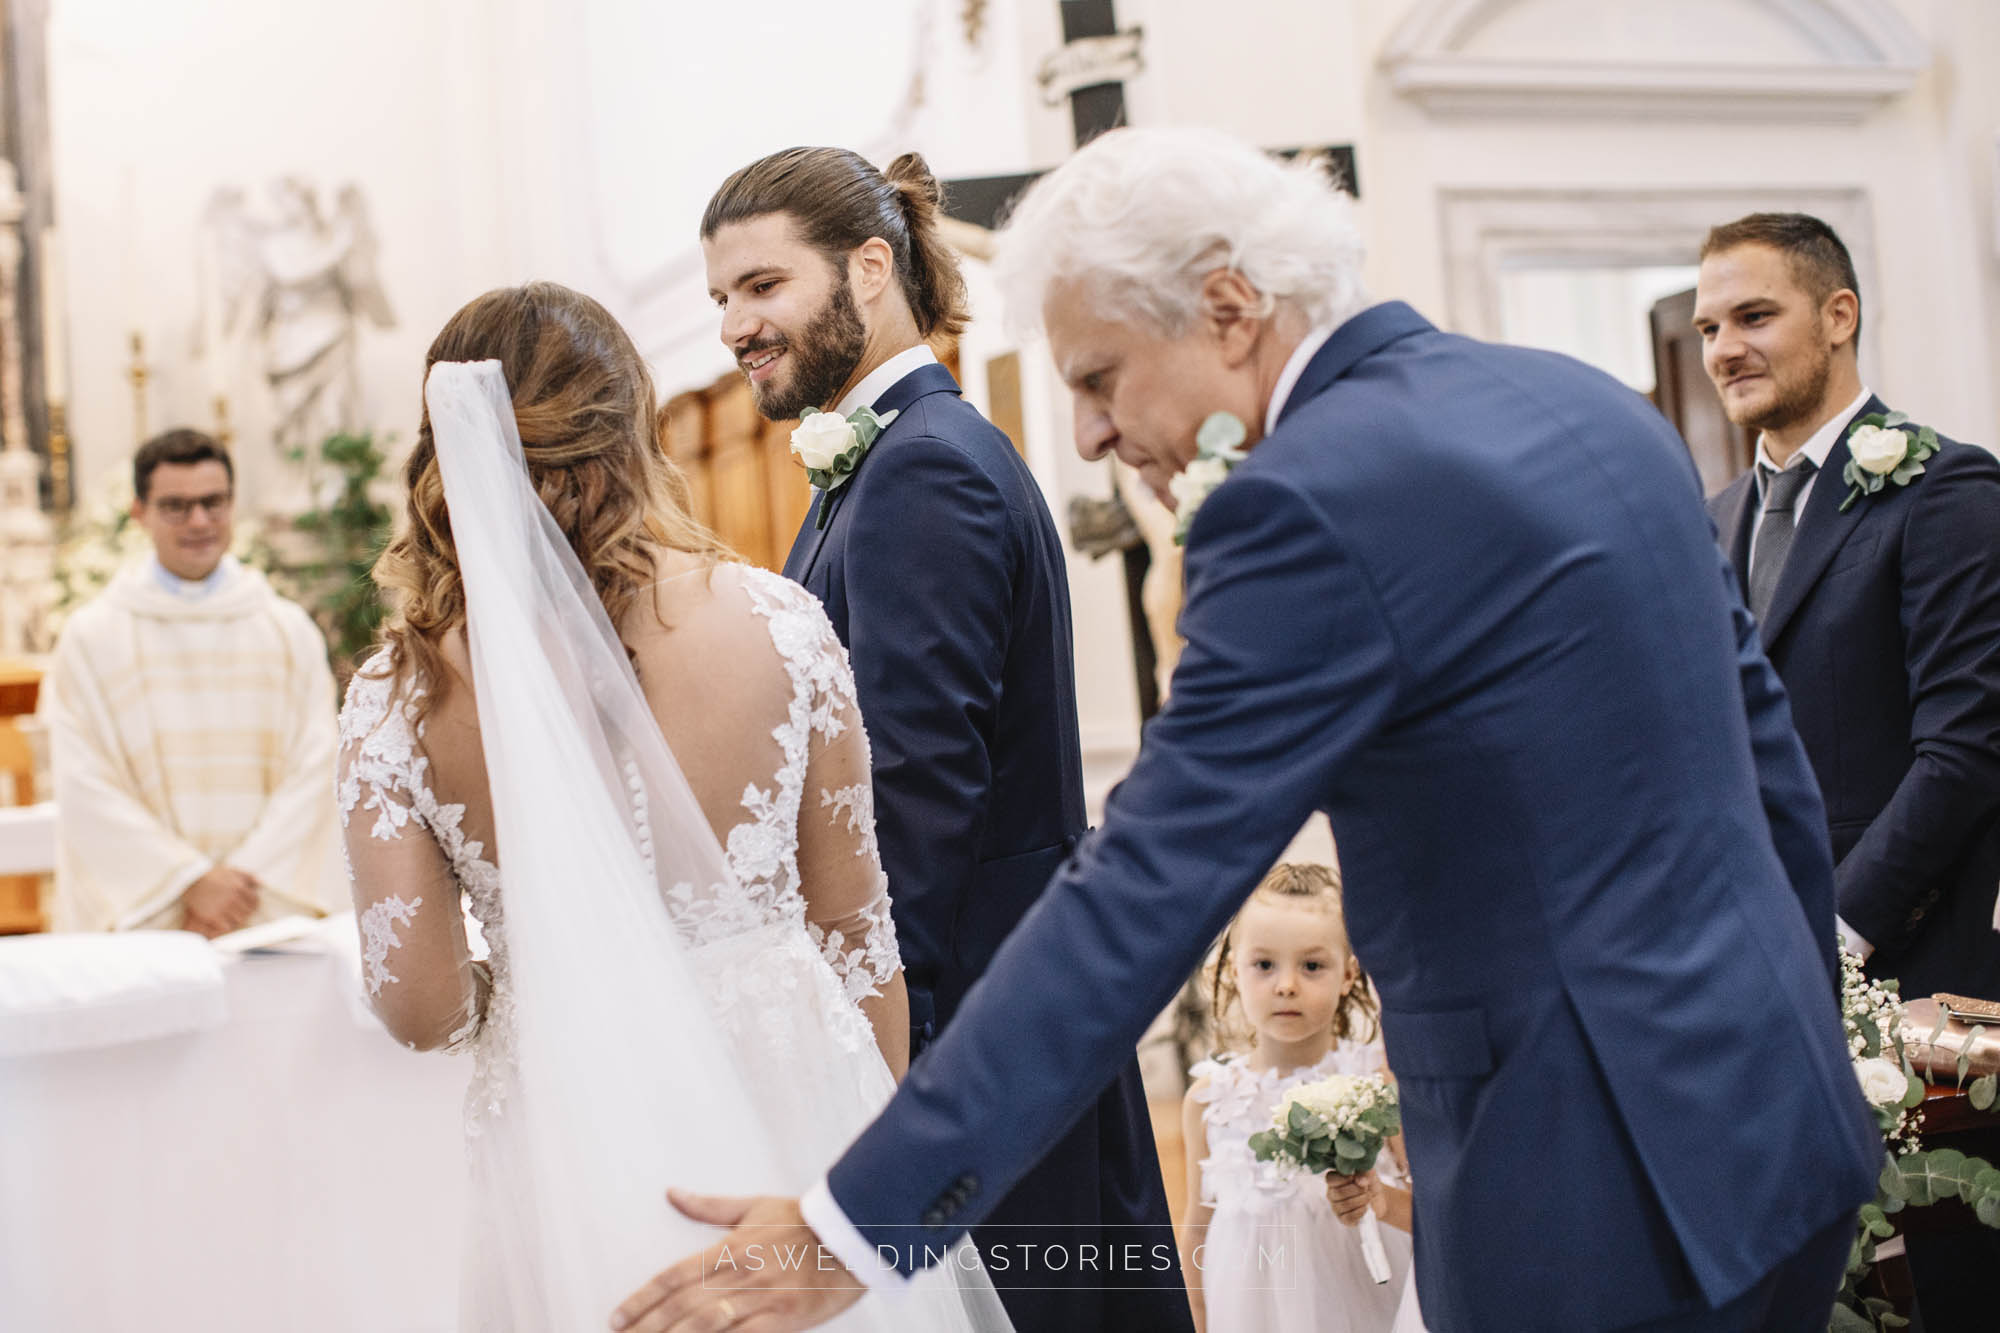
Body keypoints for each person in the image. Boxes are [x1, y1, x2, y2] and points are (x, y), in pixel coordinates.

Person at [617, 126, 1880, 1333]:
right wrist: (1807, 1038)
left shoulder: (1299, 505)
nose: (1093, 436)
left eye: (1099, 379)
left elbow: (1142, 890)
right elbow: (1769, 774)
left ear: (1226, 307)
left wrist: (858, 1222)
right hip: (1777, 1122)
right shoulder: (1585, 405)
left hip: (1578, 1194)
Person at [335, 283, 1009, 1331]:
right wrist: (867, 1171)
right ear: (634, 427)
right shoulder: (782, 625)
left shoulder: (399, 694)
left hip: (570, 1124)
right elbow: (856, 933)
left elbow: (417, 1007)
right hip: (792, 1092)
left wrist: (519, 983)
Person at [699, 146, 1185, 1329]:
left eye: (761, 286)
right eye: (721, 298)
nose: (734, 327)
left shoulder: (923, 471)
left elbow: (914, 797)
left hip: (972, 1019)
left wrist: (866, 1055)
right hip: (982, 998)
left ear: (870, 268)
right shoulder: (880, 462)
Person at [1696, 211, 2000, 1332]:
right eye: (1707, 325)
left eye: (1752, 315)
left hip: (1916, 976)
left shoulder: (1944, 493)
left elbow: (1965, 747)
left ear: (1837, 315)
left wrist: (1836, 934)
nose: (1723, 345)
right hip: (1757, 985)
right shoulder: (1711, 518)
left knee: (1942, 1284)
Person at [44, 428, 342, 936]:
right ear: (139, 512)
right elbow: (83, 783)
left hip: (263, 912)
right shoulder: (92, 637)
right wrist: (188, 883)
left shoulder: (287, 630)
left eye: (213, 502)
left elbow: (317, 771)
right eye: (176, 506)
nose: (199, 521)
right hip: (154, 920)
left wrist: (238, 889)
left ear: (232, 503)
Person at [1180, 863, 1412, 1333]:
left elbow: (1434, 1215)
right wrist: (1199, 1321)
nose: (1286, 984)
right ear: (1232, 976)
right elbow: (1198, 1231)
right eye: (1265, 965)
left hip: (1367, 1309)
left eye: (1312, 965)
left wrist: (1380, 1200)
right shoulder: (1210, 1101)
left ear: (1348, 975)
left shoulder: (1381, 1084)